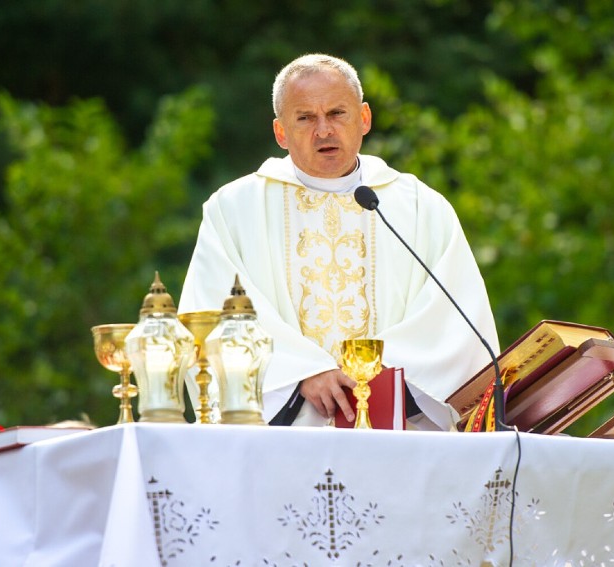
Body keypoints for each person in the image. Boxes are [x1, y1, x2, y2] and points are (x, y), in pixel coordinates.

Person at [179, 53, 499, 430]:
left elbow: (454, 319)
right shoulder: (234, 209)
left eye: (336, 113)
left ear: (364, 118)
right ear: (281, 132)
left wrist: (373, 379)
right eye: (305, 118)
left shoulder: (419, 207)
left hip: (397, 429)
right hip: (283, 433)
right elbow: (215, 315)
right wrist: (302, 371)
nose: (324, 130)